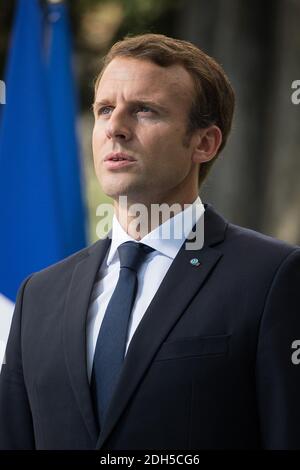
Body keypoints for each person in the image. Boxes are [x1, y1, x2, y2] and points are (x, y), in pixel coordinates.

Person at [0, 33, 299, 450]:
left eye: (144, 111)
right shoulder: (39, 295)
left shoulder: (273, 278)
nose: (115, 128)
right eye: (105, 109)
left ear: (204, 142)